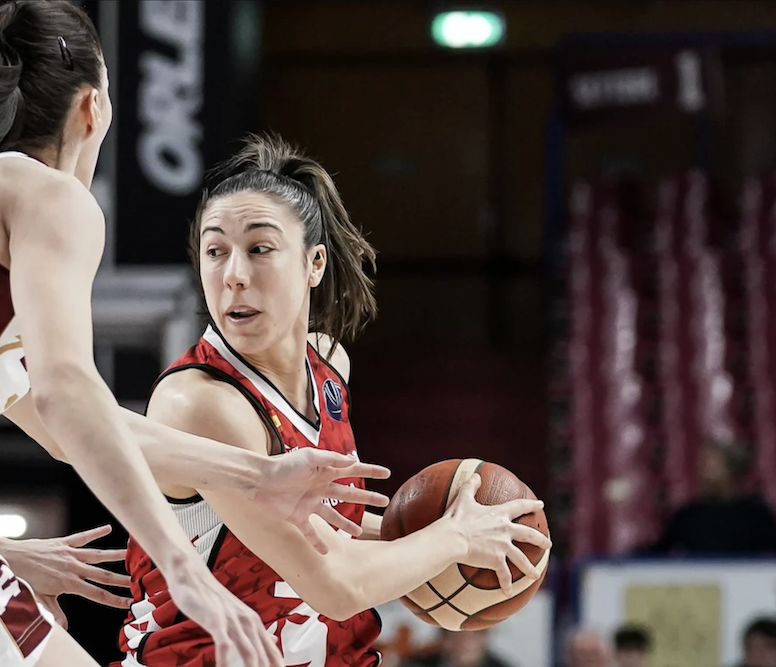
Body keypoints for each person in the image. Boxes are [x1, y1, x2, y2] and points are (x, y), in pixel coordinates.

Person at [0, 3, 394, 667]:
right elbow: (71, 391)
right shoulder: (47, 195)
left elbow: (66, 422)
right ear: (92, 109)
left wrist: (257, 472)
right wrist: (183, 567)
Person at [110, 134, 552, 667]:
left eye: (259, 248)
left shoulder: (328, 367)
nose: (234, 275)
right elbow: (334, 585)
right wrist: (456, 538)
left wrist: (441, 528)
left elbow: (333, 528)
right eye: (215, 250)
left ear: (314, 264)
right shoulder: (201, 403)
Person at [649, 439, 776, 554]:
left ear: (732, 467)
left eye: (709, 463)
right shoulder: (688, 515)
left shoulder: (756, 514)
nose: (702, 470)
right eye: (702, 463)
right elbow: (657, 552)